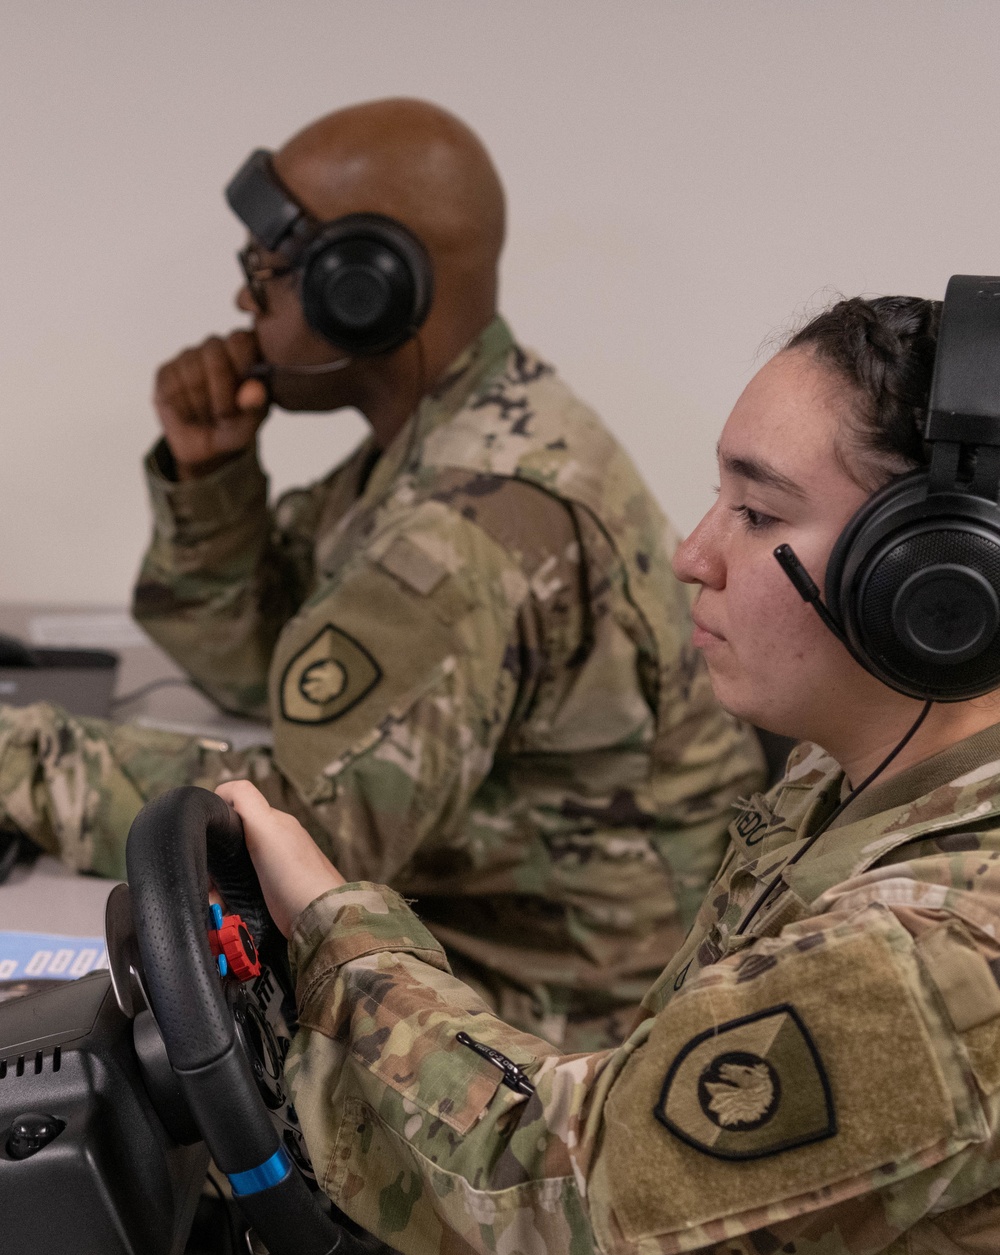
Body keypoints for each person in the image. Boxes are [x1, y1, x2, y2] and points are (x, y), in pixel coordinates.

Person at [50, 289, 1000, 1255]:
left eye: (758, 511)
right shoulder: (851, 778)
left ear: (933, 582)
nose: (690, 551)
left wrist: (339, 939)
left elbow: (572, 1214)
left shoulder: (939, 949)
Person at [0, 98, 761, 1050]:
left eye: (265, 272)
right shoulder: (471, 422)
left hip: (555, 1024)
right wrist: (212, 478)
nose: (245, 304)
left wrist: (15, 757)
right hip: (545, 950)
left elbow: (304, 843)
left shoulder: (466, 522)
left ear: (362, 288)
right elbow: (256, 664)